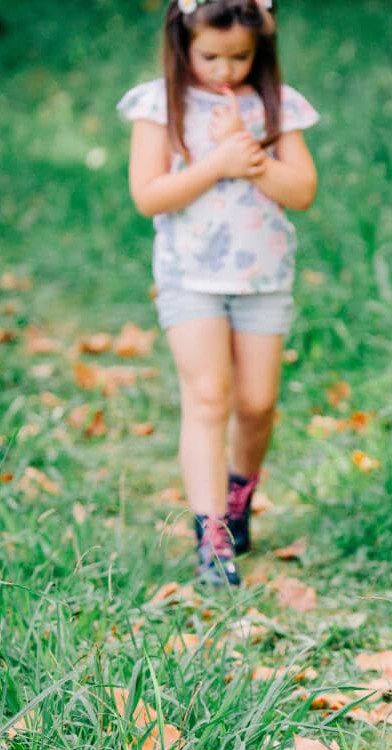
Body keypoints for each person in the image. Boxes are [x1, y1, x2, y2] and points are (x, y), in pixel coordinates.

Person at [117, 0, 318, 585]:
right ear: (183, 44)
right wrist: (219, 160)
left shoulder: (275, 104)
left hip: (263, 277)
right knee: (208, 396)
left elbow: (302, 189)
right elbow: (150, 195)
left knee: (256, 404)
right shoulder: (160, 104)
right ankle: (211, 536)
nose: (225, 69)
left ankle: (238, 498)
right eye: (211, 56)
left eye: (240, 56)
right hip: (190, 276)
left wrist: (251, 160)